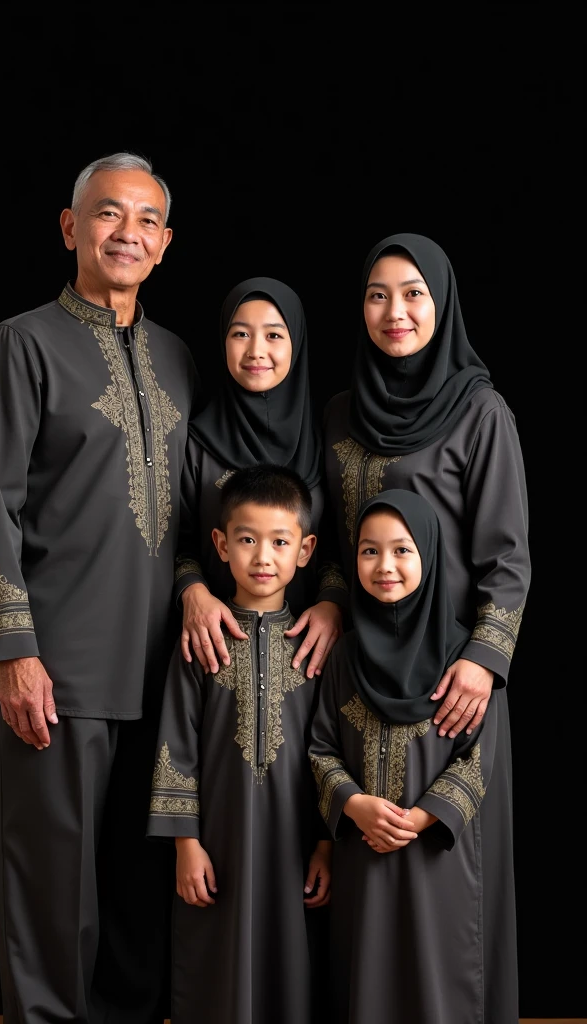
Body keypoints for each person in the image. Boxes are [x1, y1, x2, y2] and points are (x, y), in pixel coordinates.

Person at [0, 152, 199, 1023]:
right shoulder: (23, 343)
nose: (125, 233)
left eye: (144, 221)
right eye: (107, 215)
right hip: (58, 672)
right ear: (71, 228)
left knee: (139, 894)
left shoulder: (177, 357)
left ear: (165, 244)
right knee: (54, 895)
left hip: (164, 676)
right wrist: (14, 653)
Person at [323, 232, 530, 1022]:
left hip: (453, 690)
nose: (396, 311)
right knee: (370, 901)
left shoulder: (481, 412)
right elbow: (341, 547)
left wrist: (483, 660)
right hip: (360, 686)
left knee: (454, 898)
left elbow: (509, 558)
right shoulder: (342, 414)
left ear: (441, 304)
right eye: (378, 294)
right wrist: (334, 600)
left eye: (413, 293)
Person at [309, 489, 506, 1024]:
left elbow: (480, 758)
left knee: (439, 980)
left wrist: (419, 819)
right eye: (369, 551)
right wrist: (354, 806)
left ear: (430, 555)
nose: (384, 566)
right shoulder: (345, 655)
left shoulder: (461, 657)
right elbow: (321, 746)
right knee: (366, 981)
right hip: (363, 855)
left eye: (402, 550)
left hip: (438, 854)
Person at [147, 464, 332, 1024]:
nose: (263, 557)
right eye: (247, 540)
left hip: (293, 841)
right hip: (217, 843)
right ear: (221, 545)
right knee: (214, 967)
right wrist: (185, 844)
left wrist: (326, 844)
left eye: (280, 541)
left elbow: (330, 750)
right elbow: (175, 742)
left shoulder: (319, 649)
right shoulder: (201, 641)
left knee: (293, 963)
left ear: (306, 550)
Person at [175, 277, 348, 683]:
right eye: (240, 334)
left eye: (274, 335)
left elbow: (339, 545)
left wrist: (332, 603)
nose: (256, 351)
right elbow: (176, 541)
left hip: (310, 652)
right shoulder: (196, 441)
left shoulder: (325, 441)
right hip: (211, 652)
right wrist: (192, 592)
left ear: (297, 344)